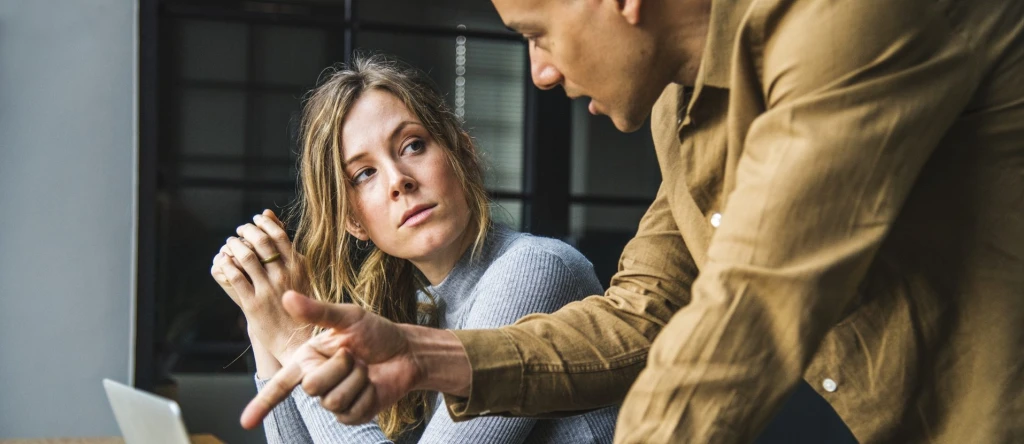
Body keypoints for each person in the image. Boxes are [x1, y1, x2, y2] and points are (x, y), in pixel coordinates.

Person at [244, 0, 1024, 442]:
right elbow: (641, 314)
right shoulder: (681, 111)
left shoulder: (848, 19)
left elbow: (750, 310)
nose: (541, 72)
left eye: (536, 34)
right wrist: (421, 353)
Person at [212, 54, 619, 443]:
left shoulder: (535, 270)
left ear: (463, 154)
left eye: (412, 146)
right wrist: (263, 316)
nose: (398, 180)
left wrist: (296, 343)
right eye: (365, 173)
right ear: (354, 222)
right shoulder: (419, 309)